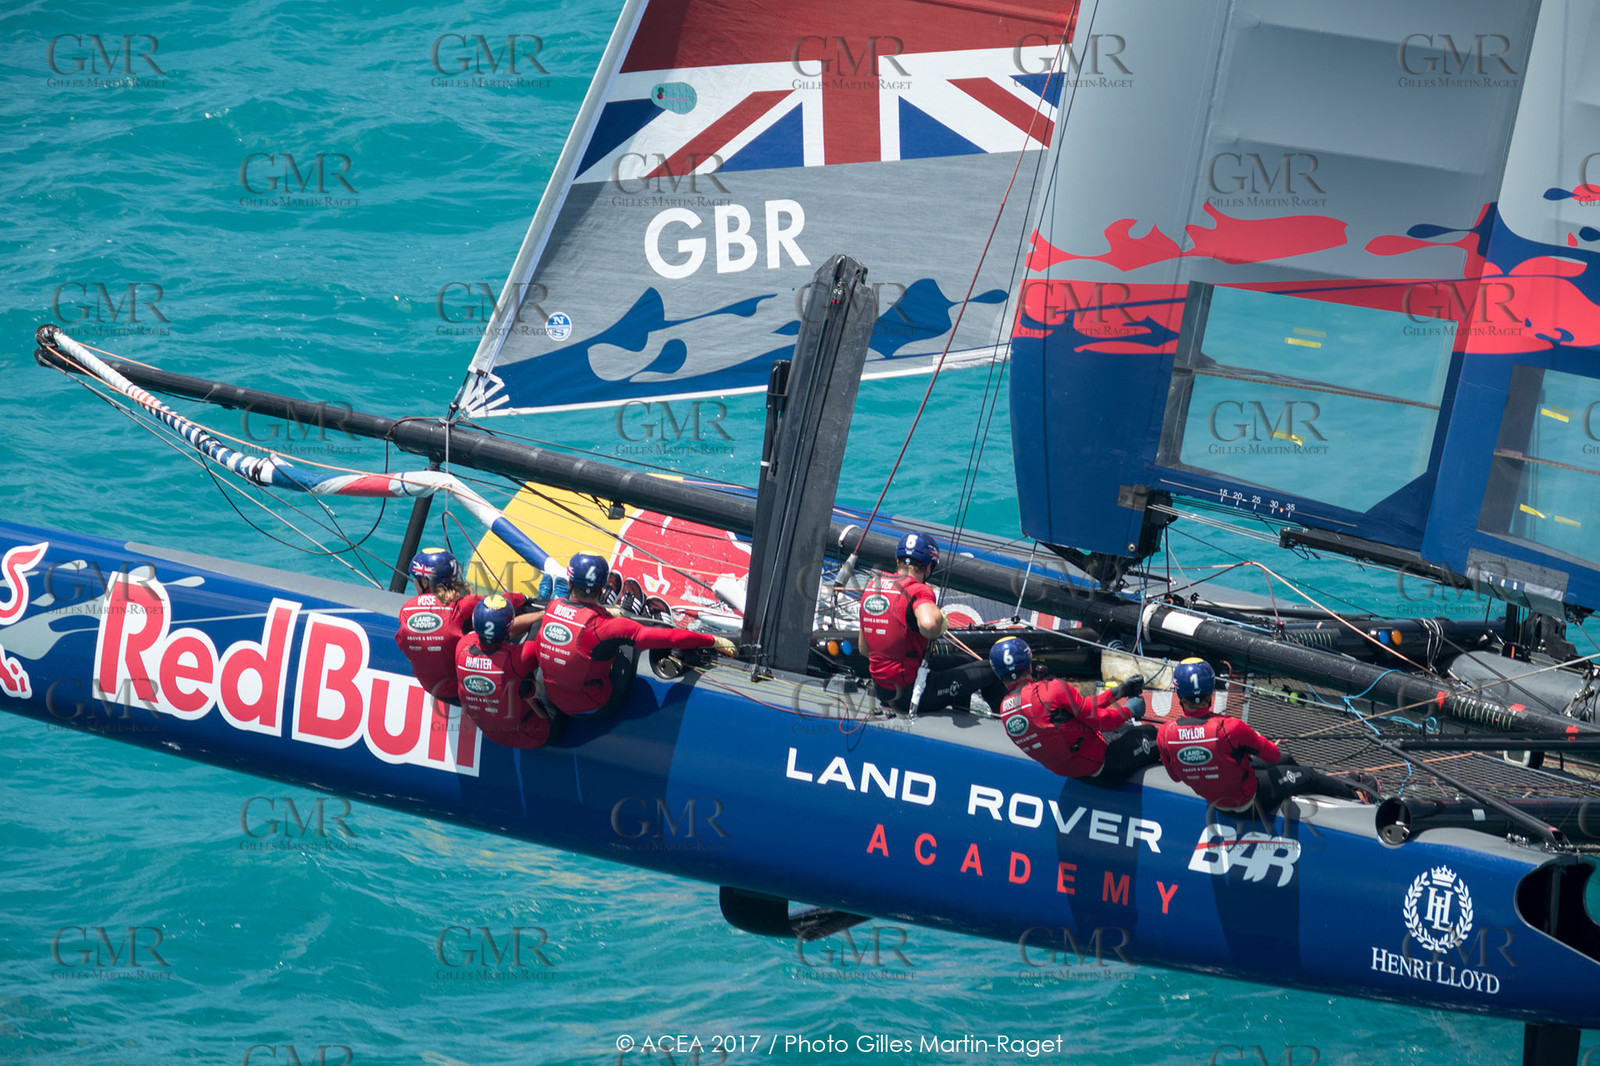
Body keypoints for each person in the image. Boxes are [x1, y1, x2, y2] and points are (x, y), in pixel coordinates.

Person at [1156, 658, 1377, 816]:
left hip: (1216, 800)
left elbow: (1176, 777)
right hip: (1247, 802)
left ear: (1179, 695)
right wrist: (1256, 739)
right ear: (1211, 692)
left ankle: (1322, 789)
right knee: (1307, 775)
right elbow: (1272, 755)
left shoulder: (1164, 734)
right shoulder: (1230, 727)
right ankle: (1358, 796)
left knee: (1288, 762)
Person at [535, 553, 735, 717]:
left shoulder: (553, 607)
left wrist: (605, 613)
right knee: (625, 641)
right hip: (596, 703)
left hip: (555, 696)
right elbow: (670, 638)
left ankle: (608, 606)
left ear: (569, 584)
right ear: (601, 586)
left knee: (604, 638)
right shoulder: (607, 628)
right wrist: (713, 640)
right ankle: (640, 615)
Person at [993, 637, 1158, 786]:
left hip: (1079, 774)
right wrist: (1128, 710)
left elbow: (1080, 708)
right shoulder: (1051, 689)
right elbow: (1101, 722)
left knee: (1125, 728)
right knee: (1153, 734)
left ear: (999, 674)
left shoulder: (1005, 711)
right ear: (1029, 664)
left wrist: (1117, 692)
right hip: (1107, 765)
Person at [395, 547, 535, 705]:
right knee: (495, 623)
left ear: (426, 581)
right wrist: (524, 597)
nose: (414, 582)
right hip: (468, 692)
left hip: (434, 690)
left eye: (415, 578)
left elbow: (404, 644)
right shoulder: (464, 604)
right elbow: (501, 602)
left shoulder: (406, 609)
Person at [858, 532, 947, 715]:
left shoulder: (873, 586)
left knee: (957, 664)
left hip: (882, 689)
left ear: (897, 560)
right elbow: (930, 627)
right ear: (929, 566)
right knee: (985, 670)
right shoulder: (919, 590)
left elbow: (864, 650)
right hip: (909, 692)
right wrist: (939, 621)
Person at [454, 594, 557, 748]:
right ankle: (554, 601)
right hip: (535, 734)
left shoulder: (462, 645)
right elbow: (539, 626)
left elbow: (494, 635)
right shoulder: (518, 658)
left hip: (491, 732)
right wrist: (545, 613)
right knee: (551, 670)